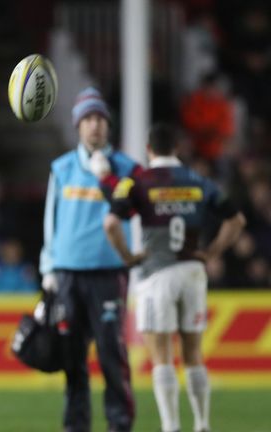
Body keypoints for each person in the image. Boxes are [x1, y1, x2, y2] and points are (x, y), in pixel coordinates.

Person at [104, 124, 245, 432]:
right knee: (193, 353)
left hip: (157, 274)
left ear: (149, 150)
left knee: (162, 356)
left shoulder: (137, 181)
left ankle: (171, 427)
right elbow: (237, 220)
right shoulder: (198, 181)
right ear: (177, 149)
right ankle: (203, 424)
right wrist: (212, 252)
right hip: (193, 273)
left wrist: (128, 257)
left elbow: (111, 224)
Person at [39, 87, 142, 432]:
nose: (94, 125)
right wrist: (48, 268)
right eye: (87, 119)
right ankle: (76, 426)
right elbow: (51, 219)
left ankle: (120, 425)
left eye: (99, 119)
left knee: (113, 357)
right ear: (78, 126)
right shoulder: (62, 167)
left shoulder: (127, 168)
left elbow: (135, 215)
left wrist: (106, 177)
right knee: (73, 360)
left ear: (108, 126)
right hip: (67, 274)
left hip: (109, 273)